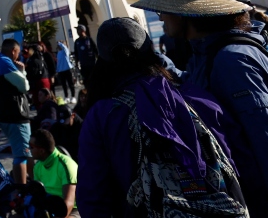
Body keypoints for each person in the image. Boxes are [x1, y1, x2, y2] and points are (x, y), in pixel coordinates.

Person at [137, 0, 268, 218]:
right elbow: (203, 91)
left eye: (165, 9)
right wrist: (159, 64)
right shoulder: (208, 53)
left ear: (185, 13)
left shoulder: (231, 62)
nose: (160, 16)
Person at [76, 16, 243, 218]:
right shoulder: (194, 96)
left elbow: (93, 197)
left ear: (101, 61)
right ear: (150, 52)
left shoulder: (101, 116)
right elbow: (238, 161)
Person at [0, 38, 33, 185]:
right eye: (18, 53)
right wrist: (22, 71)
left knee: (23, 151)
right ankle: (24, 191)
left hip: (4, 115)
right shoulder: (5, 63)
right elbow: (24, 86)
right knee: (21, 154)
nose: (18, 56)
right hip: (16, 115)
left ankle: (30, 184)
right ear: (13, 51)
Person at [29, 128, 78, 217]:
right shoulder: (37, 166)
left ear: (41, 151)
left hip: (74, 209)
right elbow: (38, 197)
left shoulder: (65, 165)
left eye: (31, 147)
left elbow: (69, 203)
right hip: (50, 207)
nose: (28, 150)